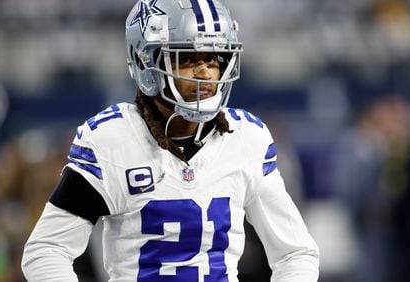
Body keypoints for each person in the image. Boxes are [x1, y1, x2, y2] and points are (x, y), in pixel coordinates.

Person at [21, 0, 319, 281]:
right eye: (187, 58)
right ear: (147, 62)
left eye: (213, 59)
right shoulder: (112, 140)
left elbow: (296, 253)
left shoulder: (245, 138)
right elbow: (46, 250)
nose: (204, 72)